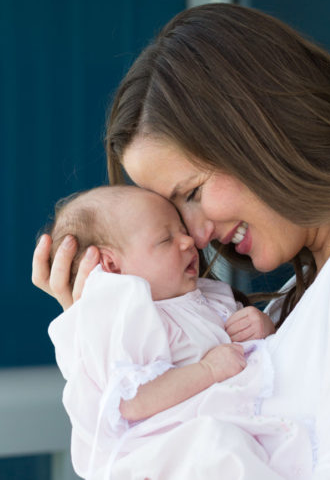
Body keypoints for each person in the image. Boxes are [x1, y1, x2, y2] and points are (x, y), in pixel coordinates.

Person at [32, 3, 330, 477]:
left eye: (191, 192)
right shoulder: (265, 325)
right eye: (172, 216)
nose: (195, 235)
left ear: (259, 127)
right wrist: (108, 332)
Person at [48, 185, 310, 480]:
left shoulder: (209, 295)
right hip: (178, 452)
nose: (189, 241)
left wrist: (262, 327)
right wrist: (208, 370)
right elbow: (133, 400)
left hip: (247, 427)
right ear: (111, 265)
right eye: (165, 239)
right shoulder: (130, 321)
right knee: (217, 447)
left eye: (182, 230)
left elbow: (260, 354)